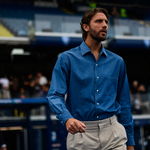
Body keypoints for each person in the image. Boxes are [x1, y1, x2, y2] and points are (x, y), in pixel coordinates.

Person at [46, 8, 135, 150]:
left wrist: (130, 142)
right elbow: (54, 95)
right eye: (99, 21)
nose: (105, 25)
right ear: (85, 27)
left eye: (106, 21)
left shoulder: (117, 61)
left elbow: (124, 103)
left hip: (113, 132)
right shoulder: (66, 59)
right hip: (81, 133)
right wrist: (67, 118)